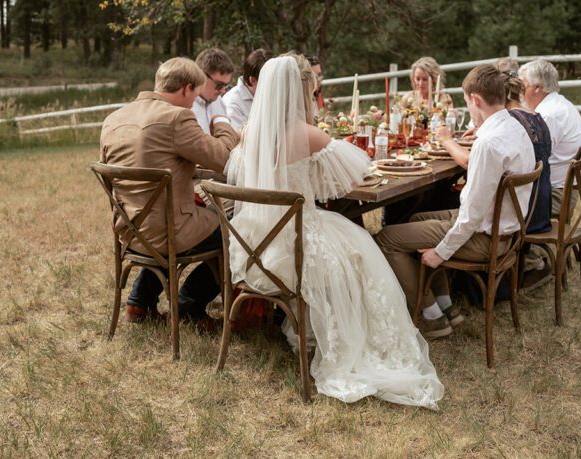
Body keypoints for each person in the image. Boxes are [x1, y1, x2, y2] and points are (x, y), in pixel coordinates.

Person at [226, 53, 443, 409]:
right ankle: (344, 334)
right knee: (360, 250)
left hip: (255, 246)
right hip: (295, 239)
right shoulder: (309, 135)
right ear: (303, 92)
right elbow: (355, 175)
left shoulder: (251, 132)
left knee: (351, 243)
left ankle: (308, 330)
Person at [375, 65, 536, 339]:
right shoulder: (515, 127)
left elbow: (470, 217)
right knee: (415, 220)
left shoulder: (488, 144)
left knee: (386, 238)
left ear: (475, 99)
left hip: (485, 238)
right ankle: (447, 307)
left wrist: (440, 253)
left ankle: (429, 315)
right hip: (504, 230)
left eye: (466, 102)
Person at [100, 57, 240, 328]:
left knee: (171, 214)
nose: (194, 103)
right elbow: (224, 157)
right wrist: (221, 120)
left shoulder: (113, 119)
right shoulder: (177, 117)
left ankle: (139, 302)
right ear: (187, 88)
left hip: (130, 228)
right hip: (170, 232)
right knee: (238, 233)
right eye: (196, 95)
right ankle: (190, 305)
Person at [517, 60, 581, 213]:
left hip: (555, 195)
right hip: (560, 188)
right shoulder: (559, 104)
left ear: (537, 88)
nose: (519, 92)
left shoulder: (548, 115)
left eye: (522, 87)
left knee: (495, 195)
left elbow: (531, 159)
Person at [220, 48, 271, 131]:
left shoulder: (268, 96)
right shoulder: (232, 103)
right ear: (252, 80)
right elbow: (238, 140)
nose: (272, 86)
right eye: (269, 82)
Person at [192, 47, 234, 135]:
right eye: (219, 85)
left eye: (226, 85)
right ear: (201, 75)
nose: (223, 91)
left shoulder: (220, 103)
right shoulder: (186, 107)